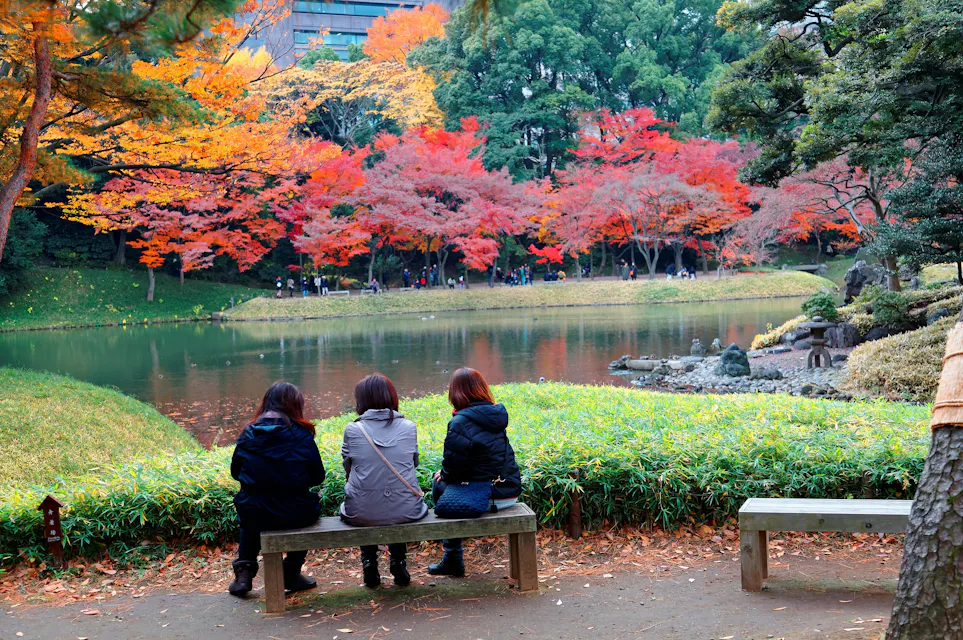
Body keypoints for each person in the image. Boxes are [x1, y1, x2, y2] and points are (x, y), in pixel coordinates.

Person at [229, 382, 325, 597]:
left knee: (252, 506)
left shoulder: (247, 434)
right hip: (295, 512)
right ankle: (291, 571)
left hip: (255, 512)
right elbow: (318, 476)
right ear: (295, 406)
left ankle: (244, 573)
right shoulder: (302, 435)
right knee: (301, 506)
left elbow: (235, 473)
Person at [428, 368, 522, 577]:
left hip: (486, 498)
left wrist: (444, 475)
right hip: (509, 492)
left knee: (438, 484)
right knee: (445, 482)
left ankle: (452, 557)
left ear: (455, 393)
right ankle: (452, 559)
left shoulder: (460, 422)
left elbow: (453, 469)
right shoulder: (496, 416)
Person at [340, 374, 428, 588]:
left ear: (361, 400)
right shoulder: (409, 426)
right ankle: (398, 561)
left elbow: (348, 470)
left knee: (363, 499)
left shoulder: (352, 430)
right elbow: (413, 463)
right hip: (407, 509)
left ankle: (369, 563)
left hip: (362, 511)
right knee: (396, 501)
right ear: (392, 397)